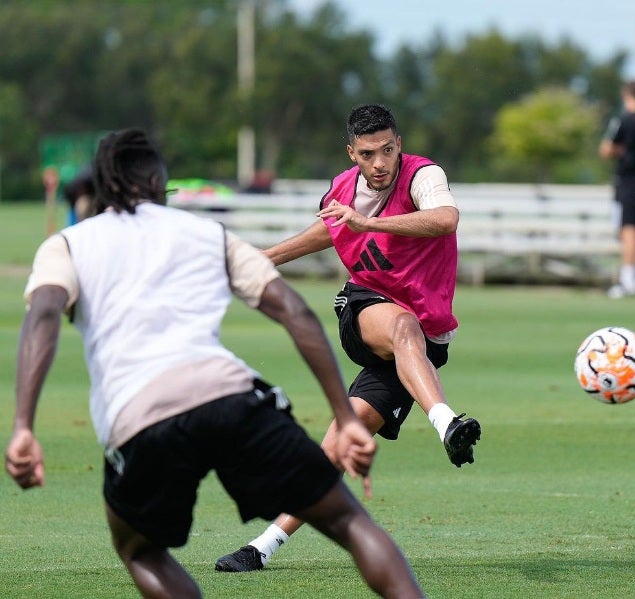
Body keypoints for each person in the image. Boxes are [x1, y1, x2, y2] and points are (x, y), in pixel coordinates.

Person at [4, 128, 424, 599]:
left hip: (140, 418)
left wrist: (23, 425)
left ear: (98, 185)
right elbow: (295, 313)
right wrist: (344, 418)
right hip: (233, 398)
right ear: (161, 178)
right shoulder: (206, 235)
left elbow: (41, 320)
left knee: (140, 549)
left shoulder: (67, 245)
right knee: (346, 517)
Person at [216, 104, 481, 573]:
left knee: (339, 445)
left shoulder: (423, 176)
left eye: (387, 150)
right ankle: (446, 422)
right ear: (351, 153)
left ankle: (262, 546)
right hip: (366, 308)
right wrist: (269, 257)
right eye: (367, 154)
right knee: (402, 326)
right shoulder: (342, 189)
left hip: (425, 342)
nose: (379, 163)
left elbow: (444, 219)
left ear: (399, 143)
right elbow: (329, 229)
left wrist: (370, 224)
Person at [599, 80, 635, 297]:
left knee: (629, 230)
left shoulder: (624, 120)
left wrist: (617, 150)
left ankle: (627, 280)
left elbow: (606, 149)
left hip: (627, 180)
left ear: (626, 95)